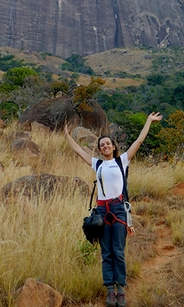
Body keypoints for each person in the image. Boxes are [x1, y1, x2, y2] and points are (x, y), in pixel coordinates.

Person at [64, 111, 163, 307]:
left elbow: (139, 141)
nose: (105, 146)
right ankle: (110, 291)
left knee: (118, 251)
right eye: (102, 145)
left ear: (113, 146)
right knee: (106, 252)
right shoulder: (97, 163)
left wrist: (148, 122)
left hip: (118, 209)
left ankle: (121, 291)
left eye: (108, 143)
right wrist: (67, 136)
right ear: (100, 150)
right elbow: (78, 151)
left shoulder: (122, 161)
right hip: (101, 211)